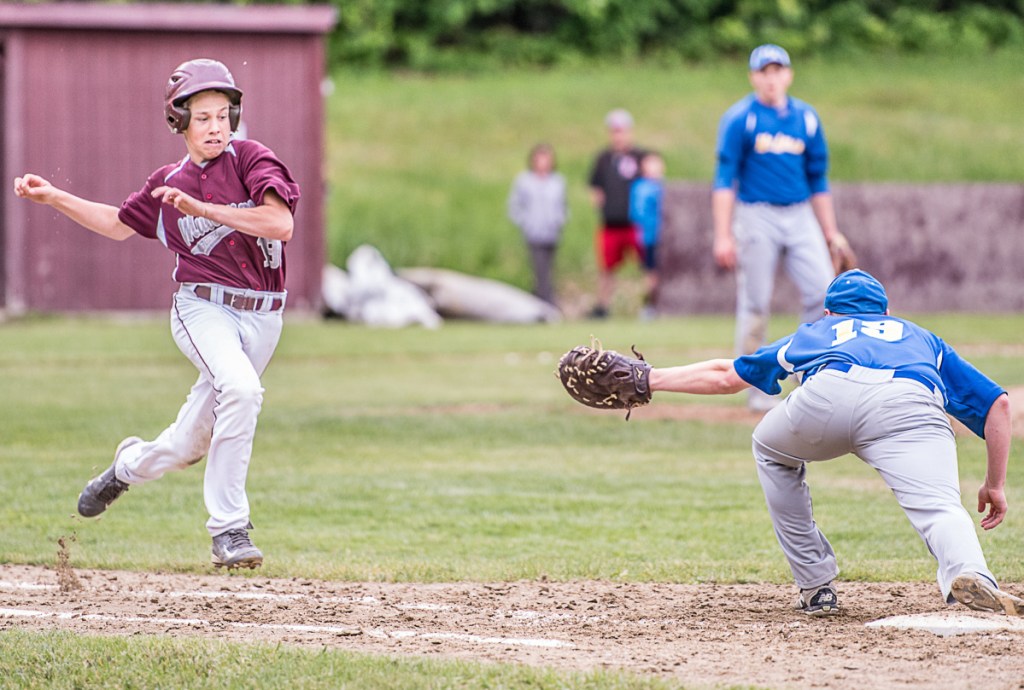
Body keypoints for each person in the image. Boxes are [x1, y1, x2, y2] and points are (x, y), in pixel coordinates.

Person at [13, 58, 301, 570]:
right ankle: (229, 529)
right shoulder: (169, 181)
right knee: (242, 390)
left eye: (223, 114)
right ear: (180, 123)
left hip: (264, 318)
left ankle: (126, 467)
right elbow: (119, 223)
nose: (216, 126)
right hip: (202, 307)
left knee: (191, 441)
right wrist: (54, 196)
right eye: (203, 117)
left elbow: (280, 224)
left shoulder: (252, 160)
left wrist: (205, 210)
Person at [643, 269, 1021, 617]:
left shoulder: (816, 331)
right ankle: (973, 576)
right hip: (910, 403)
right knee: (939, 508)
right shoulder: (920, 337)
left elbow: (726, 376)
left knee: (770, 448)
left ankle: (815, 586)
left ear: (828, 313)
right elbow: (997, 405)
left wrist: (651, 379)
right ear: (887, 312)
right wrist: (994, 484)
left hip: (829, 395)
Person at [712, 44, 842, 412]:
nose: (771, 78)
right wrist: (723, 234)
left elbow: (818, 179)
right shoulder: (742, 119)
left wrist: (830, 231)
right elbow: (724, 179)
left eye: (777, 70)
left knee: (823, 292)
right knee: (755, 301)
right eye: (763, 71)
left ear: (789, 74)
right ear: (753, 77)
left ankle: (810, 378)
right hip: (756, 213)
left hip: (800, 213)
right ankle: (755, 388)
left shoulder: (807, 118)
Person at [587, 108, 647, 319]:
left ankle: (649, 305)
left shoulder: (640, 157)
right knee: (606, 269)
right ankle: (603, 307)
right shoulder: (604, 158)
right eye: (615, 131)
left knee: (647, 266)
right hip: (611, 224)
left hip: (635, 224)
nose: (618, 135)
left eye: (622, 130)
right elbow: (594, 187)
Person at [507, 142, 568, 306]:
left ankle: (542, 302)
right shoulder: (524, 181)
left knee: (549, 271)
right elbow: (514, 206)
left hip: (552, 233)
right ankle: (546, 304)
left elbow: (562, 205)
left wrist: (559, 221)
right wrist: (526, 223)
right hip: (534, 233)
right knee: (540, 271)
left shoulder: (557, 181)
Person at [629, 151, 665, 320]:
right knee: (651, 274)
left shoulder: (662, 186)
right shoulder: (642, 188)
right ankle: (650, 306)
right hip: (650, 238)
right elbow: (639, 214)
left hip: (665, 238)